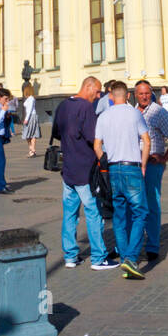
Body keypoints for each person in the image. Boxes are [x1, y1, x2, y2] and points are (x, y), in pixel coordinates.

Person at [53, 77, 118, 271]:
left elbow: (57, 132)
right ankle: (98, 257)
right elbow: (94, 138)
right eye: (97, 91)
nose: (98, 96)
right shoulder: (86, 108)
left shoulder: (63, 105)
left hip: (68, 170)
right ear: (88, 87)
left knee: (70, 214)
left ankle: (71, 256)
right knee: (93, 212)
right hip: (85, 170)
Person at [94, 81, 150, 279]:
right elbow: (147, 140)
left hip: (113, 168)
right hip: (131, 167)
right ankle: (131, 258)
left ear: (111, 96)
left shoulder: (103, 116)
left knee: (119, 214)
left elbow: (97, 144)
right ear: (127, 96)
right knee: (140, 212)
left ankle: (126, 256)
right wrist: (143, 165)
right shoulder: (134, 113)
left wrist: (105, 163)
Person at [134, 81, 168, 264]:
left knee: (152, 204)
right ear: (135, 95)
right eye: (141, 94)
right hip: (134, 165)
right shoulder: (132, 112)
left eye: (147, 93)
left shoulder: (158, 112)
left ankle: (152, 246)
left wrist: (165, 157)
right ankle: (134, 245)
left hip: (153, 164)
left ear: (151, 94)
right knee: (135, 205)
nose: (144, 96)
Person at [23, 91, 41, 157]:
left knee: (31, 134)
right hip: (31, 116)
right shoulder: (29, 98)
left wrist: (26, 119)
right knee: (29, 134)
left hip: (31, 117)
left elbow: (30, 109)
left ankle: (32, 150)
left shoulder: (31, 99)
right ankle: (31, 150)